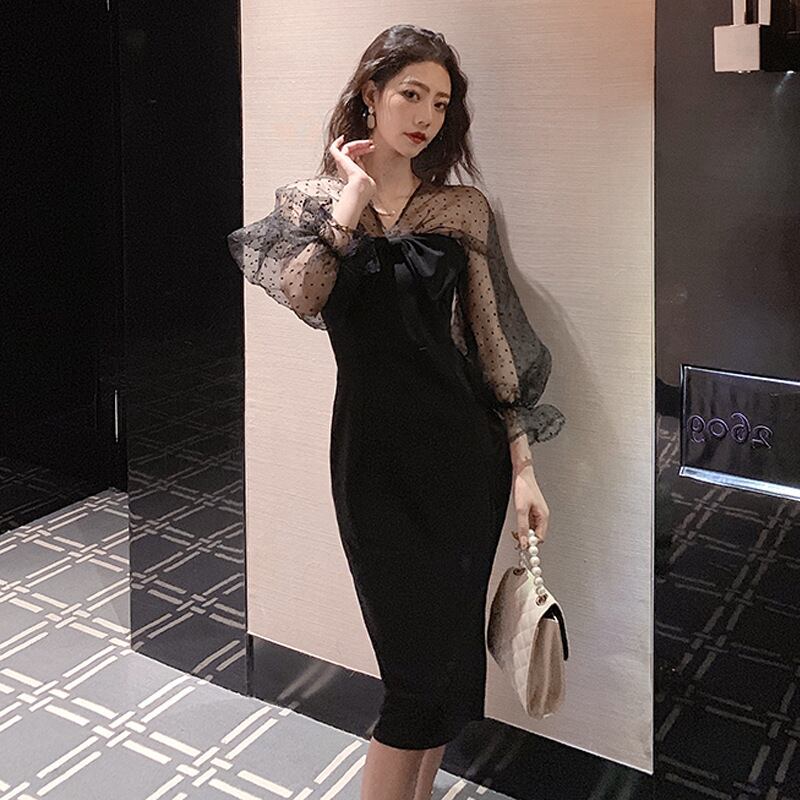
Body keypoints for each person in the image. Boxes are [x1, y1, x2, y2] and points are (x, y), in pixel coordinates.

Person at [227, 24, 566, 800]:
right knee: (410, 683)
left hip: (464, 459)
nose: (425, 116)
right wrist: (352, 197)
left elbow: (492, 344)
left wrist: (523, 469)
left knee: (447, 675)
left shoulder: (462, 209)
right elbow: (305, 292)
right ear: (370, 95)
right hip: (373, 463)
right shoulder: (314, 204)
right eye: (411, 94)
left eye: (440, 103)